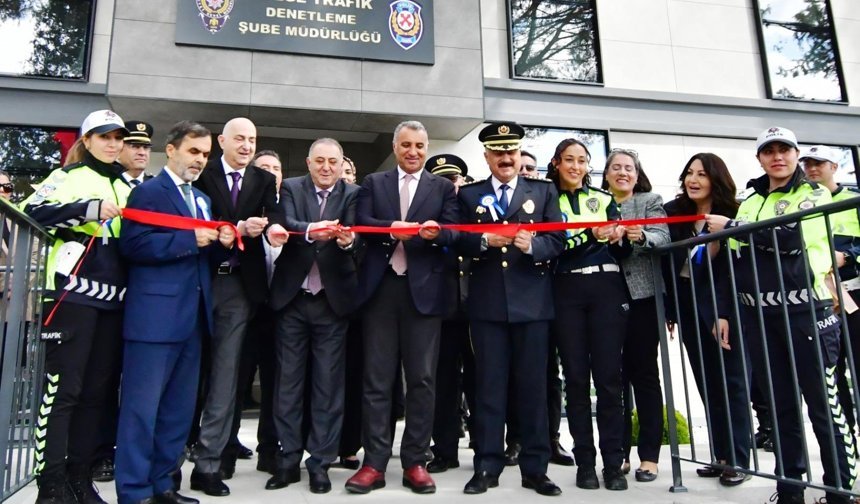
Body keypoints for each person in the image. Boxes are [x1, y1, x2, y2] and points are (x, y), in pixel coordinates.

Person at [706, 127, 856, 504]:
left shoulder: (814, 193)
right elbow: (733, 262)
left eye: (784, 150)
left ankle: (840, 489)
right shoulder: (750, 201)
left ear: (795, 154)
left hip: (807, 312)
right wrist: (725, 311)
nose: (777, 157)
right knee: (782, 406)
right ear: (759, 158)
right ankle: (790, 488)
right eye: (769, 151)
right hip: (760, 316)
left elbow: (789, 240)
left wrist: (734, 228)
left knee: (823, 404)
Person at [115, 120, 236, 504]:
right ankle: (134, 493)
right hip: (153, 321)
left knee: (177, 414)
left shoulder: (201, 199)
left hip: (193, 320)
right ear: (171, 150)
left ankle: (164, 486)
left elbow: (203, 252)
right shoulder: (149, 191)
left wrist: (224, 242)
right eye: (193, 151)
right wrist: (189, 238)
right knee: (140, 412)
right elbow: (132, 246)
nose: (200, 160)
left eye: (205, 154)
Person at [22, 110, 132, 504]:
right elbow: (30, 211)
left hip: (114, 301)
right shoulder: (66, 177)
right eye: (104, 137)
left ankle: (79, 479)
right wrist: (86, 208)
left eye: (117, 137)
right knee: (62, 392)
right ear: (86, 140)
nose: (112, 144)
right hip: (71, 296)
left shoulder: (126, 183)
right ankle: (50, 486)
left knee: (95, 395)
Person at [346, 120, 459, 494]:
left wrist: (436, 233)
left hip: (424, 294)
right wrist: (392, 228)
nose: (413, 152)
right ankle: (374, 463)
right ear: (396, 148)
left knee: (423, 381)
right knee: (377, 380)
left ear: (427, 149)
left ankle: (415, 461)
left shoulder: (442, 187)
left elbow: (455, 230)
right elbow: (361, 222)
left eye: (420, 146)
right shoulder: (373, 183)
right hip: (381, 291)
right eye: (407, 145)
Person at [458, 122, 565, 496]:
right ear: (487, 156)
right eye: (498, 152)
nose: (506, 158)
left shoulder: (544, 191)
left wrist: (533, 247)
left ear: (519, 155)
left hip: (532, 305)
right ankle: (487, 465)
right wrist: (485, 240)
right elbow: (455, 239)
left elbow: (558, 240)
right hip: (487, 306)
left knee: (533, 389)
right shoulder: (470, 195)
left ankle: (535, 468)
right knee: (489, 388)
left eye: (511, 152)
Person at [189, 118, 288, 497]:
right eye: (240, 139)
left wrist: (274, 229)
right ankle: (167, 457)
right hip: (197, 281)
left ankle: (209, 463)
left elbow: (274, 213)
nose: (247, 146)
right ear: (222, 141)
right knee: (186, 375)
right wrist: (233, 227)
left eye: (253, 140)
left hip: (239, 288)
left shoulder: (262, 181)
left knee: (226, 377)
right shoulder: (203, 172)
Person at [267, 138, 360, 494]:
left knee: (328, 387)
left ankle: (320, 462)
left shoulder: (353, 193)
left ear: (340, 165)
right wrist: (310, 231)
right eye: (319, 161)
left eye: (332, 162)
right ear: (308, 162)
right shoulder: (290, 187)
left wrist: (347, 241)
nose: (326, 167)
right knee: (288, 385)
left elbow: (355, 234)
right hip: (293, 299)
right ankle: (288, 460)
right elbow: (286, 222)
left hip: (332, 303)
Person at [545, 138, 630, 490]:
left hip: (606, 290)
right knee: (576, 380)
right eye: (569, 160)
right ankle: (585, 463)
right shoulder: (548, 200)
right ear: (556, 163)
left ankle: (614, 463)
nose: (576, 167)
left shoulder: (606, 200)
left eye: (582, 160)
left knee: (609, 380)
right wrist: (591, 236)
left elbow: (620, 251)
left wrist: (622, 237)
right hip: (565, 290)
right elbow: (554, 249)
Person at [663, 153, 751, 486]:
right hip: (687, 303)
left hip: (722, 305)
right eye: (689, 173)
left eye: (702, 173)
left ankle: (739, 459)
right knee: (706, 380)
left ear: (716, 178)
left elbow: (735, 271)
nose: (693, 179)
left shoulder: (734, 215)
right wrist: (672, 310)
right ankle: (721, 455)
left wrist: (724, 312)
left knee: (731, 381)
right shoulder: (676, 214)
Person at [601, 148, 669, 482]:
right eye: (616, 167)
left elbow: (663, 236)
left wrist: (639, 234)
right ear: (606, 173)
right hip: (605, 299)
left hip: (642, 298)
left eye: (629, 168)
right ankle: (618, 454)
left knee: (643, 375)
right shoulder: (596, 201)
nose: (623, 173)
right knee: (612, 379)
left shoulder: (649, 201)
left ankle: (650, 456)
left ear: (637, 174)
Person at [227, 149, 284, 476]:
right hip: (244, 310)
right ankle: (227, 444)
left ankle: (269, 449)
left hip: (279, 313)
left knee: (276, 385)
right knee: (234, 382)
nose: (270, 173)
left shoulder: (287, 211)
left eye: (275, 169)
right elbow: (220, 266)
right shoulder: (241, 211)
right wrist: (226, 279)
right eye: (263, 168)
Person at [801, 145, 860, 431]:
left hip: (854, 293)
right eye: (808, 164)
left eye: (819, 163)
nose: (812, 169)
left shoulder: (854, 199)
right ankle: (845, 441)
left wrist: (848, 256)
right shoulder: (802, 203)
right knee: (831, 372)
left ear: (834, 167)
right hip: (819, 296)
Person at [424, 154, 477, 474]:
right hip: (439, 310)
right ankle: (444, 450)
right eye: (444, 180)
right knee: (441, 384)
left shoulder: (475, 212)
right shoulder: (428, 217)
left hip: (474, 310)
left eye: (455, 179)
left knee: (479, 381)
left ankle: (485, 446)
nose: (451, 186)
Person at [119, 121, 155, 187]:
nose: (142, 153)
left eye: (146, 147)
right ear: (119, 150)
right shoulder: (107, 183)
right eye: (135, 146)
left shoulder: (156, 186)